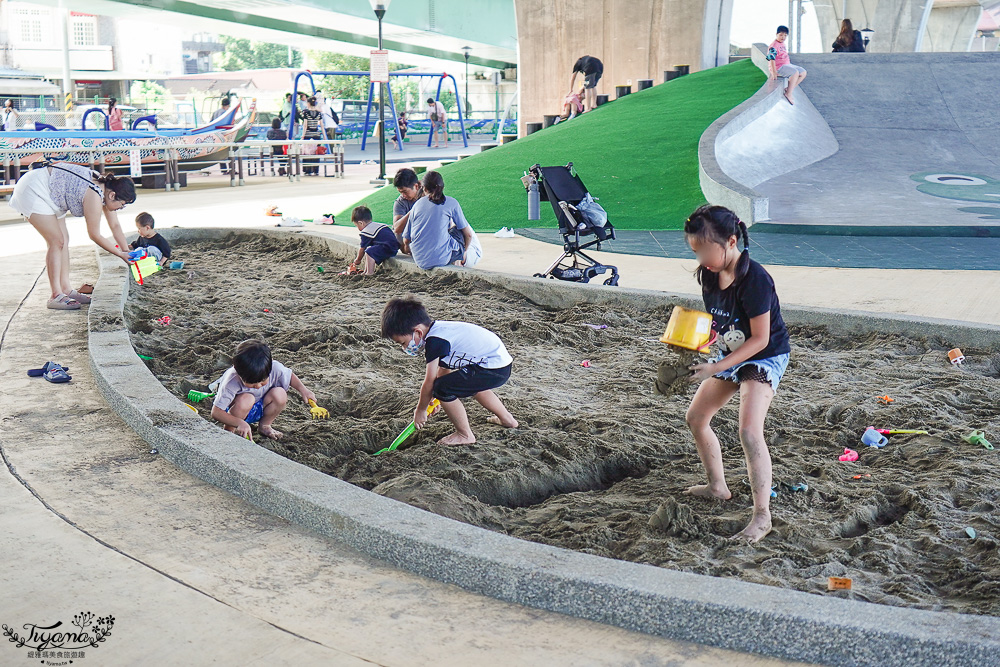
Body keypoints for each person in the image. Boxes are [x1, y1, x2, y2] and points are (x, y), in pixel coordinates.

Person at [681, 204, 791, 544]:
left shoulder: (755, 279)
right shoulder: (709, 274)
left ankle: (762, 516)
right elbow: (720, 323)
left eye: (705, 250)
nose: (701, 259)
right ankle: (718, 487)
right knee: (696, 418)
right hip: (731, 352)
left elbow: (760, 339)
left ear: (731, 241)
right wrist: (696, 344)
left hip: (765, 356)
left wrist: (715, 367)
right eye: (695, 252)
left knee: (748, 431)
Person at [381, 296, 518, 446]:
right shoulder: (439, 330)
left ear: (418, 332)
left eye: (403, 343)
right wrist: (436, 399)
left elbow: (429, 381)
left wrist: (421, 410)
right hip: (499, 365)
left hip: (493, 367)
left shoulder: (434, 342)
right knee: (466, 385)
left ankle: (465, 435)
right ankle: (507, 420)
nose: (404, 348)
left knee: (442, 388)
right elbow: (443, 369)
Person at [8, 162, 135, 310]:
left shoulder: (105, 189)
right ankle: (55, 295)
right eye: (122, 204)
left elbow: (115, 225)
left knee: (64, 240)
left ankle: (66, 289)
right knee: (56, 241)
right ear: (112, 195)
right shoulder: (95, 194)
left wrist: (126, 252)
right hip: (34, 189)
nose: (121, 208)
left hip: (54, 193)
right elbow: (94, 234)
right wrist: (120, 254)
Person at [210, 339, 318, 442]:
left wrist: (304, 390)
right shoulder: (231, 380)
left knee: (280, 393)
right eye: (251, 383)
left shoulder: (275, 368)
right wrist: (238, 423)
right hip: (235, 412)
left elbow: (289, 376)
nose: (258, 386)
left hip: (260, 406)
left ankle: (265, 425)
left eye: (262, 381)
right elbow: (216, 412)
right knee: (247, 398)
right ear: (237, 371)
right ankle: (229, 431)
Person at [402, 170, 474, 270]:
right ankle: (459, 259)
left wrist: (411, 251)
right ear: (442, 187)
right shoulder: (451, 202)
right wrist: (464, 251)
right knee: (459, 230)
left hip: (419, 260)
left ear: (424, 188)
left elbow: (406, 240)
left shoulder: (417, 204)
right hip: (441, 259)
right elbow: (468, 235)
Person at [347, 205, 398, 275]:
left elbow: (362, 249)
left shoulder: (366, 231)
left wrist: (358, 260)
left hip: (387, 248)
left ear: (361, 223)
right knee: (369, 251)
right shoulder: (376, 225)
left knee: (369, 251)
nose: (357, 228)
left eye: (357, 225)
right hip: (393, 247)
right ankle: (365, 271)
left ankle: (369, 272)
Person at [767, 26, 807, 105]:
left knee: (803, 72)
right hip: (779, 67)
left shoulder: (782, 44)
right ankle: (788, 93)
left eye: (785, 35)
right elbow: (771, 59)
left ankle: (788, 89)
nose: (783, 37)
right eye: (781, 35)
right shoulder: (773, 46)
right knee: (794, 73)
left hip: (787, 65)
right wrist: (774, 72)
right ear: (776, 34)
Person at [391, 168, 423, 248]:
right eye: (400, 192)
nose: (403, 195)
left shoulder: (428, 195)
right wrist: (413, 211)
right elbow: (397, 228)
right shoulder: (400, 202)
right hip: (409, 238)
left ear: (416, 186)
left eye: (405, 192)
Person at [299, 96, 324, 176]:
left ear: (308, 103)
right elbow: (322, 125)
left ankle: (307, 169)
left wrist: (303, 136)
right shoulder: (318, 113)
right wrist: (324, 136)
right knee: (316, 152)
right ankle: (315, 169)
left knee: (307, 152)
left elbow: (305, 125)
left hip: (308, 135)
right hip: (316, 134)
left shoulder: (306, 113)